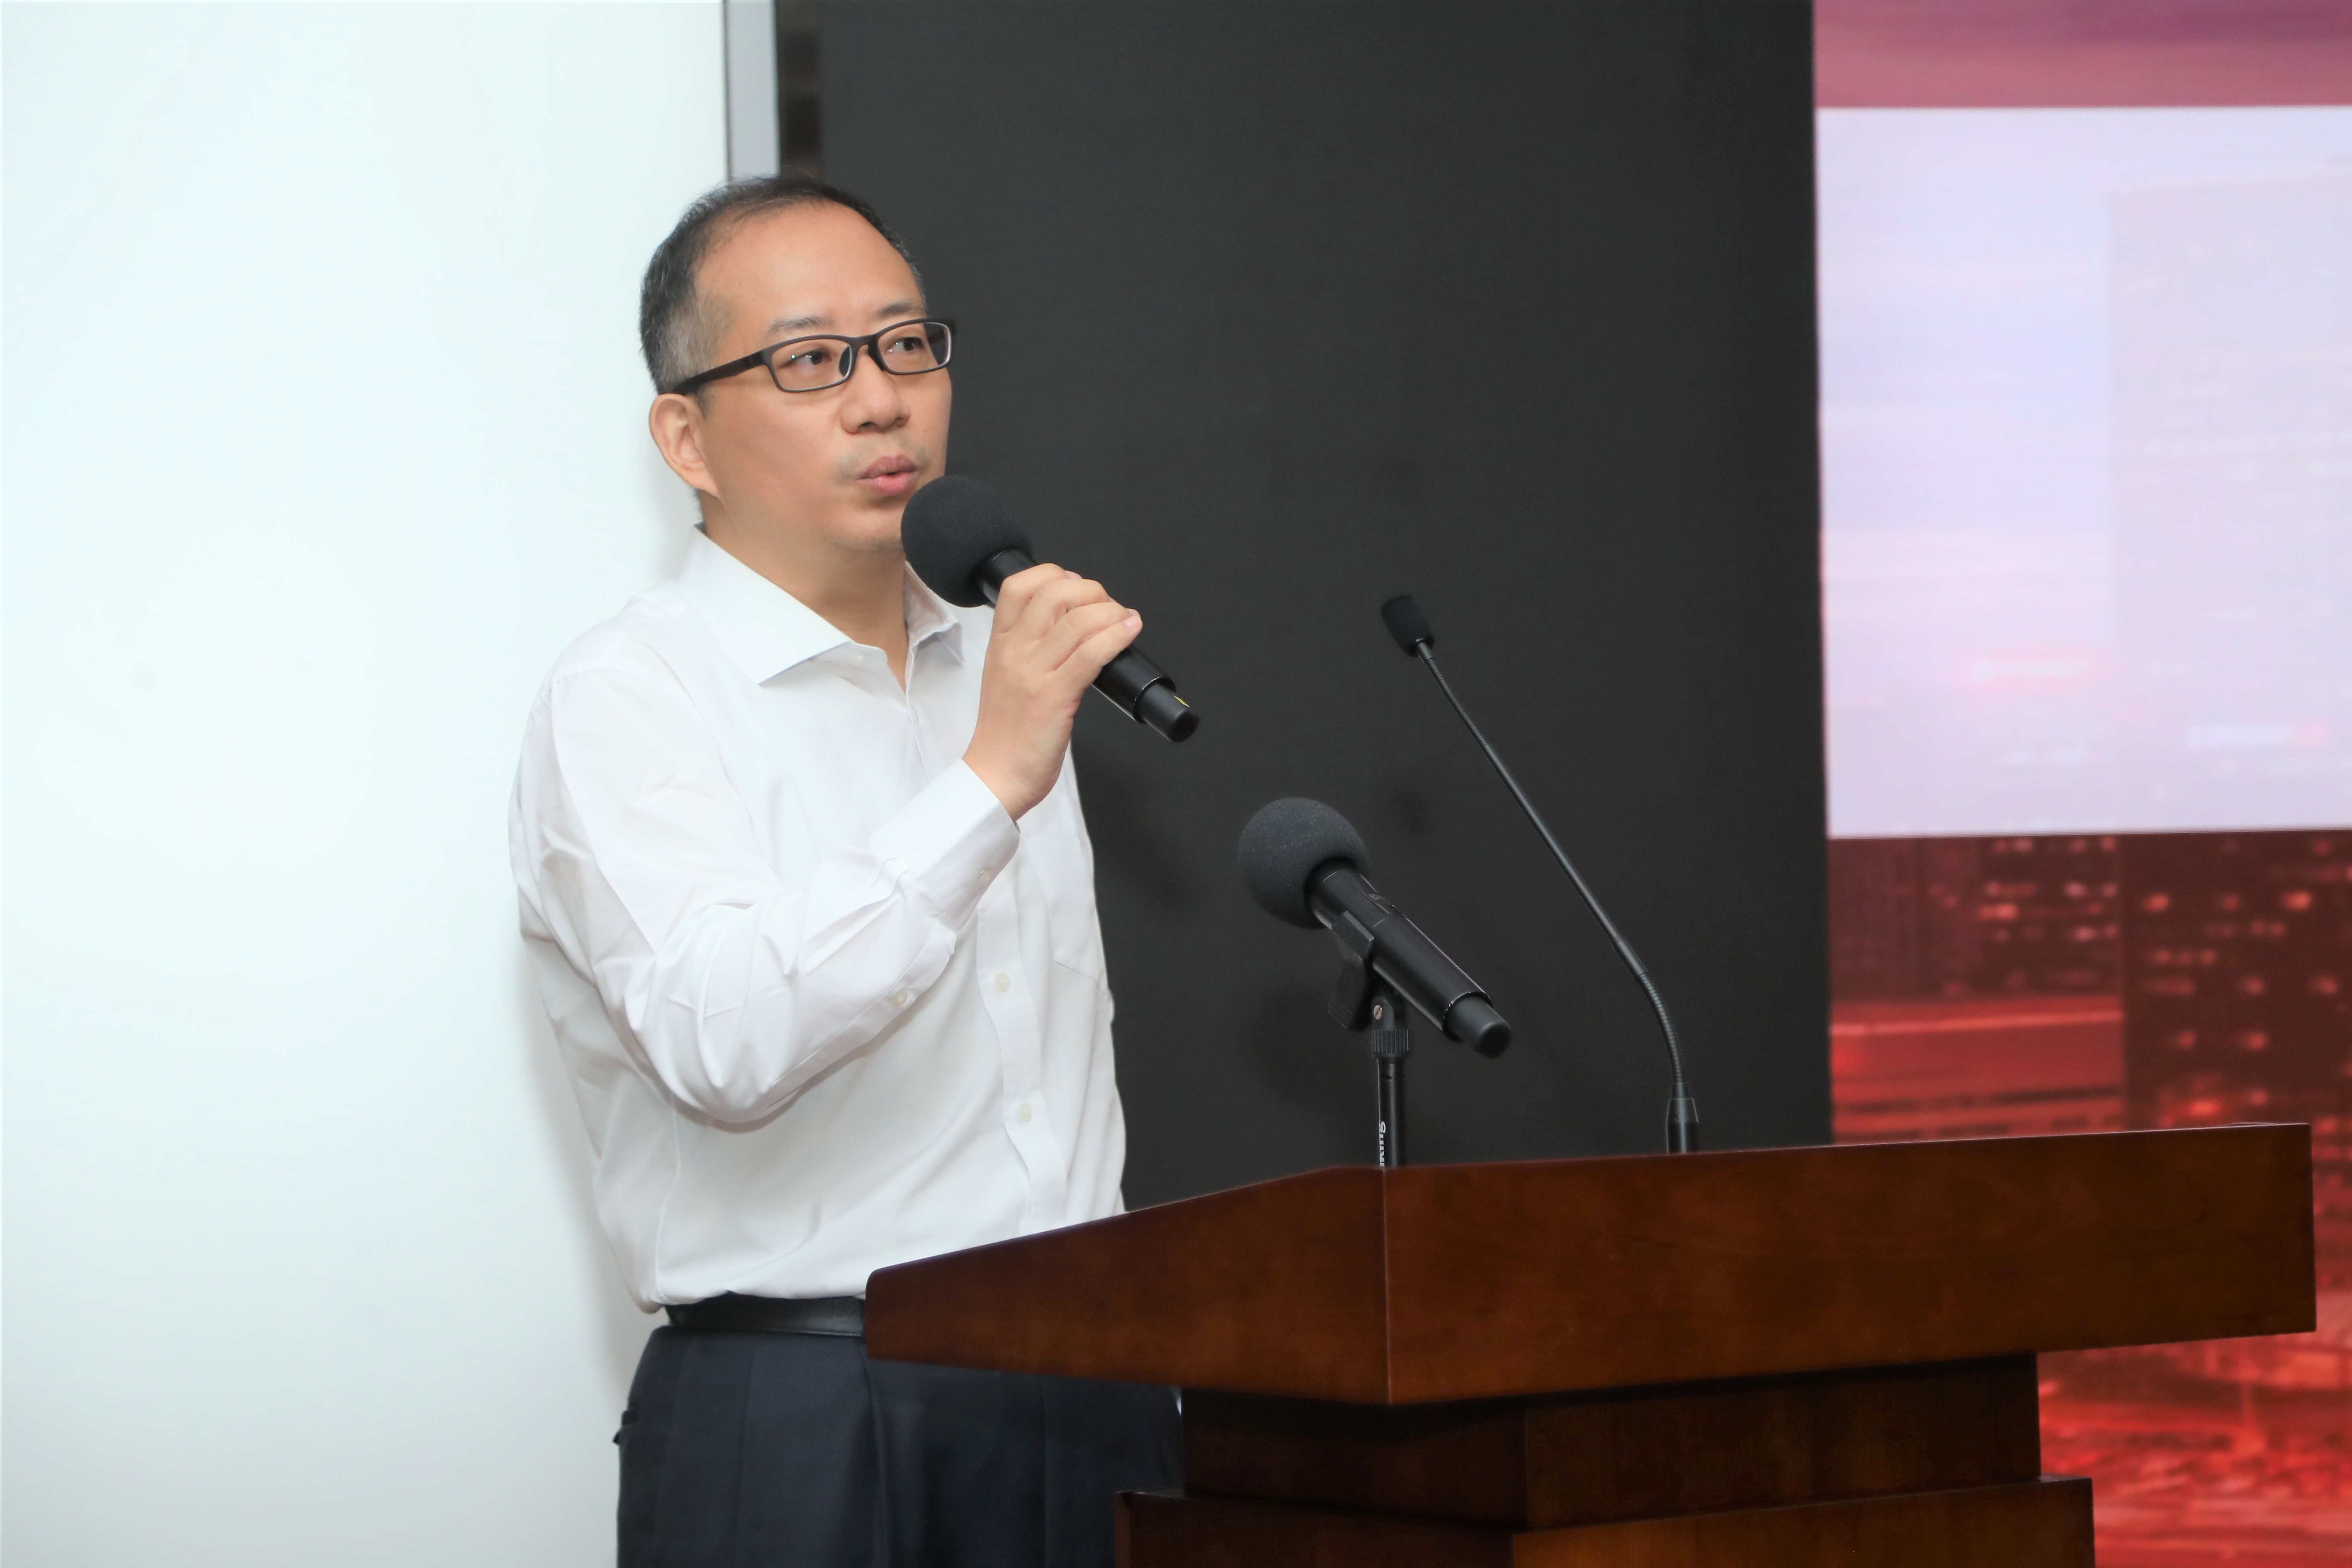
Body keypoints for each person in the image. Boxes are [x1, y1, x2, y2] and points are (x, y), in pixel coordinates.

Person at [508, 171, 1182, 1567]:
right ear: (685, 437)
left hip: (1092, 1396)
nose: (882, 401)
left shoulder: (997, 662)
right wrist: (986, 783)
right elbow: (725, 1038)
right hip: (809, 1408)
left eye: (906, 345)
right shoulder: (628, 695)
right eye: (812, 361)